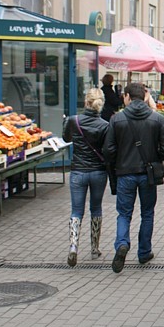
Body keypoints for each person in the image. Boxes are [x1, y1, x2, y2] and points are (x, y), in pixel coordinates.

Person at [103, 82, 164, 273]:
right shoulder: (157, 119)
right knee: (147, 213)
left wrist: (120, 160)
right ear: (144, 97)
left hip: (125, 174)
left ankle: (122, 244)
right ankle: (144, 252)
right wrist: (154, 158)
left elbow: (108, 150)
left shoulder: (117, 119)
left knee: (124, 213)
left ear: (127, 96)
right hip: (148, 174)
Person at [62, 88, 109, 267]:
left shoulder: (73, 120)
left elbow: (65, 137)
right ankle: (95, 248)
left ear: (86, 102)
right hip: (98, 172)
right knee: (96, 208)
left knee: (76, 210)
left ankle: (73, 247)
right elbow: (107, 149)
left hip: (78, 171)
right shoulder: (105, 125)